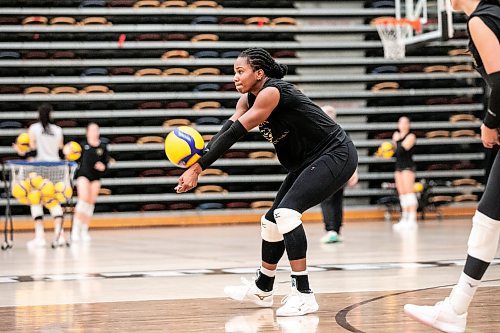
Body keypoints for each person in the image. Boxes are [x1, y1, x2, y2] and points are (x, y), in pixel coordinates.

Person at [175, 48, 358, 317]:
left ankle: (303, 294)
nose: (235, 77)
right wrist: (198, 157)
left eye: (240, 72)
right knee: (271, 221)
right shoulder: (245, 101)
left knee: (286, 213)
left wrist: (199, 168)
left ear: (259, 73)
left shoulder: (272, 92)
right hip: (307, 161)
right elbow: (227, 130)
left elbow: (238, 132)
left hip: (335, 153)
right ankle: (263, 288)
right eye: (234, 72)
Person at [404, 0, 500, 332]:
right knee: (489, 216)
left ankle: (456, 309)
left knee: (488, 218)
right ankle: (456, 307)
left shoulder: (480, 20)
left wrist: (490, 122)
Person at [13, 103, 65, 248]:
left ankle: (40, 236)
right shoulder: (58, 130)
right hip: (56, 168)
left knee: (35, 199)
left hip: (38, 169)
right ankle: (59, 235)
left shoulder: (34, 129)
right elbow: (61, 153)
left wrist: (19, 150)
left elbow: (33, 152)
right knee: (54, 200)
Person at [319, 105, 359, 243]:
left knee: (333, 200)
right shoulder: (318, 130)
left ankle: (333, 229)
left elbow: (351, 152)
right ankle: (334, 230)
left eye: (331, 113)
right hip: (327, 171)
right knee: (330, 200)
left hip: (338, 171)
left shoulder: (341, 131)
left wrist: (354, 172)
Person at [70, 123, 108, 242]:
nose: (94, 132)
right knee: (83, 200)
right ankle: (75, 229)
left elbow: (106, 163)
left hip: (96, 177)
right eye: (92, 130)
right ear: (87, 132)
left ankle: (84, 229)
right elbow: (73, 156)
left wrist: (103, 166)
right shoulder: (82, 145)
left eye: (96, 130)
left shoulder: (102, 146)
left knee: (90, 203)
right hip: (84, 175)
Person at [391, 116, 417, 231]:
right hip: (398, 166)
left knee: (409, 191)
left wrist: (396, 141)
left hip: (408, 166)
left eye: (405, 123)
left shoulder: (411, 136)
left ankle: (412, 218)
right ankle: (404, 217)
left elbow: (401, 150)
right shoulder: (395, 135)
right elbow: (393, 153)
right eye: (400, 122)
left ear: (409, 125)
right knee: (402, 193)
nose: (403, 125)